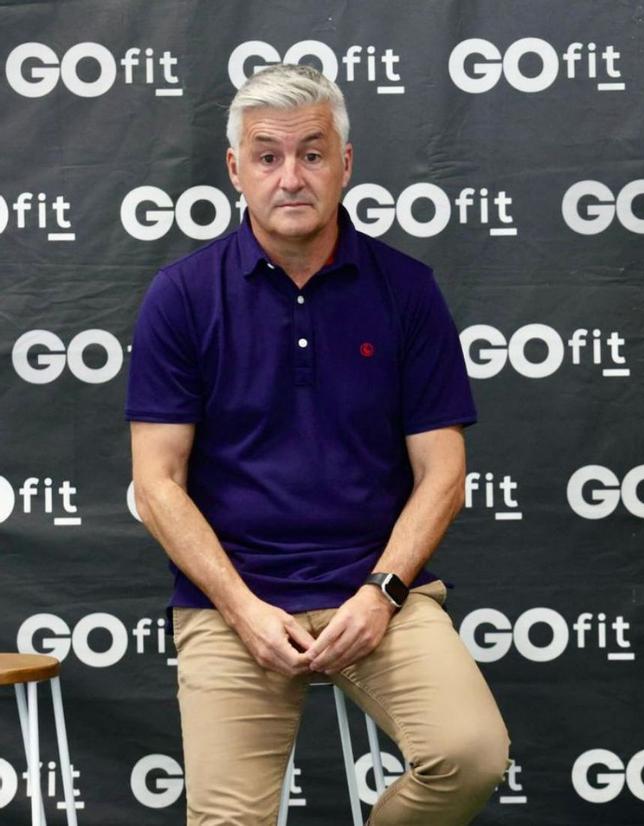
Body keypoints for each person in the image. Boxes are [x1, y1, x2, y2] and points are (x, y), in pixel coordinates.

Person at [126, 63, 508, 825]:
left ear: (345, 163)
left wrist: (383, 592)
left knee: (470, 756)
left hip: (377, 596)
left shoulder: (406, 290)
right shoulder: (182, 295)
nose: (291, 177)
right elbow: (157, 482)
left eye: (311, 153)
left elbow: (443, 473)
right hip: (232, 603)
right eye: (267, 156)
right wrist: (240, 608)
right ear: (236, 169)